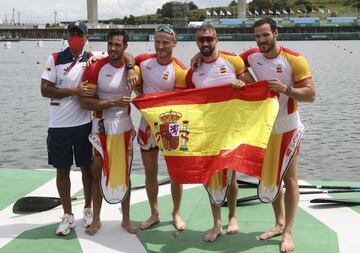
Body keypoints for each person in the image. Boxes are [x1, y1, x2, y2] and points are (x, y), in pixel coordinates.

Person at [240, 17, 316, 253]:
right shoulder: (251, 55)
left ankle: (288, 232)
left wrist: (286, 89)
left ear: (276, 33)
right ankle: (278, 222)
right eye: (258, 36)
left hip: (289, 127)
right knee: (271, 178)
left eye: (266, 35)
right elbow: (229, 61)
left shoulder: (294, 59)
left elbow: (311, 94)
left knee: (289, 179)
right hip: (265, 128)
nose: (262, 40)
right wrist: (247, 81)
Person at [187, 24, 255, 242]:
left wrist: (240, 85)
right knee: (210, 177)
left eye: (209, 39)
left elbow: (255, 88)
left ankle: (232, 216)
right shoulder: (194, 70)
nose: (205, 43)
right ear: (197, 42)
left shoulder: (233, 61)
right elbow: (188, 101)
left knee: (231, 174)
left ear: (216, 40)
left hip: (231, 127)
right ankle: (216, 223)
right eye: (201, 40)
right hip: (207, 130)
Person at [128, 24, 188, 231]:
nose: (160, 46)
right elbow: (126, 56)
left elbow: (180, 103)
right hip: (147, 125)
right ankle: (154, 213)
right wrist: (129, 69)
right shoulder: (144, 61)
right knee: (150, 172)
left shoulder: (179, 70)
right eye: (157, 42)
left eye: (165, 42)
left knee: (175, 173)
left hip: (170, 126)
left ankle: (176, 213)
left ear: (174, 43)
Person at [79, 29, 139, 235]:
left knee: (125, 174)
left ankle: (126, 219)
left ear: (125, 47)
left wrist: (130, 67)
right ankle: (96, 220)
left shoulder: (132, 67)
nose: (112, 49)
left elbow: (135, 61)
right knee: (97, 172)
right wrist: (112, 102)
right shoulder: (95, 68)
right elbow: (85, 102)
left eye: (117, 45)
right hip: (101, 126)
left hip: (124, 126)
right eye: (110, 44)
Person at [40, 20, 94, 236]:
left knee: (87, 169)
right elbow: (45, 90)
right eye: (72, 33)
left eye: (79, 34)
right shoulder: (54, 58)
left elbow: (120, 54)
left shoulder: (92, 58)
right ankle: (68, 215)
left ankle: (88, 208)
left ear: (86, 38)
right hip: (59, 126)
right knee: (62, 170)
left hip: (83, 125)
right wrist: (74, 91)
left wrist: (129, 67)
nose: (75, 37)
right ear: (67, 36)